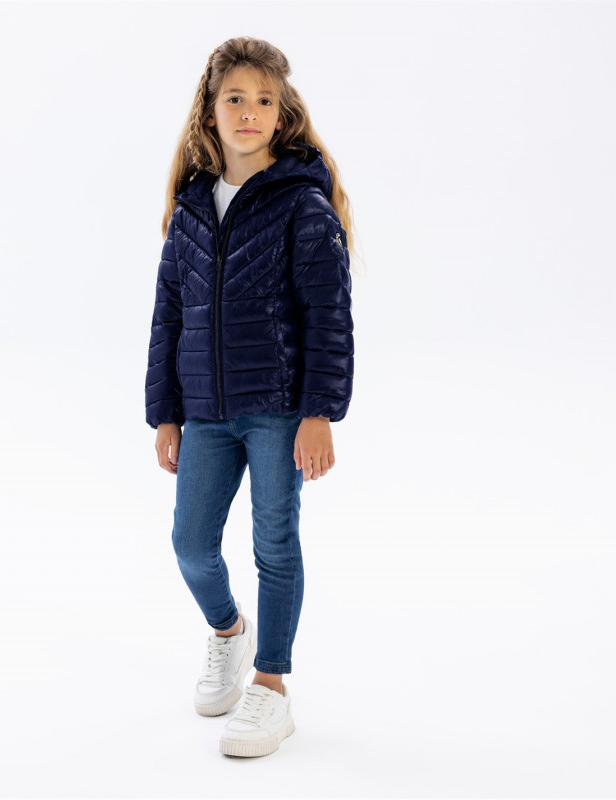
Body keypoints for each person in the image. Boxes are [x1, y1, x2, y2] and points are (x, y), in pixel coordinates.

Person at [145, 36, 355, 758]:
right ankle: (229, 632)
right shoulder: (191, 210)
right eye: (234, 97)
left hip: (278, 409)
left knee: (275, 545)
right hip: (206, 413)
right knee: (190, 545)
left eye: (264, 99)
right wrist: (166, 412)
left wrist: (319, 413)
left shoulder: (302, 204)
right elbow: (169, 317)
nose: (249, 111)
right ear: (209, 111)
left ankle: (270, 685)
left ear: (281, 112)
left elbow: (328, 316)